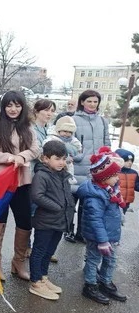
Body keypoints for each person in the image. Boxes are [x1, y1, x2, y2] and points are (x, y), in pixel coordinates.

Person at [0, 90, 40, 282]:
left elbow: (36, 149)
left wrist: (22, 157)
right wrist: (8, 158)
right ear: (3, 107)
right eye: (9, 105)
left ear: (23, 107)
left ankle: (18, 262)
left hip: (22, 181)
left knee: (24, 222)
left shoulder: (27, 126)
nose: (13, 109)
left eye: (17, 105)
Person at [76, 152, 127, 304]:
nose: (118, 178)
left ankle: (105, 281)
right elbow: (95, 220)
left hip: (109, 234)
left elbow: (115, 209)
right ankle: (90, 286)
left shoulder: (110, 189)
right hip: (98, 237)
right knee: (93, 260)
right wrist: (102, 241)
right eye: (115, 175)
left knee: (111, 260)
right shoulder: (95, 196)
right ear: (104, 178)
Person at [29, 141, 75, 300]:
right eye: (57, 158)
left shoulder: (62, 174)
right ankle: (35, 282)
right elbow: (37, 196)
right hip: (46, 221)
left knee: (49, 252)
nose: (61, 162)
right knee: (39, 251)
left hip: (59, 221)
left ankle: (43, 277)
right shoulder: (42, 174)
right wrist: (56, 207)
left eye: (64, 158)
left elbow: (67, 194)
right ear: (45, 158)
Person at [68, 90, 110, 243]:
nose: (92, 104)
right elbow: (68, 142)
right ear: (82, 102)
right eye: (89, 101)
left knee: (89, 205)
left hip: (94, 170)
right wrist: (77, 156)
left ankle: (81, 232)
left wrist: (105, 161)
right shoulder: (73, 120)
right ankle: (68, 230)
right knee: (70, 203)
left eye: (95, 101)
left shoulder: (102, 121)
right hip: (77, 167)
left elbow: (107, 144)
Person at [43, 116, 83, 185]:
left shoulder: (72, 139)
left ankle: (69, 179)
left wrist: (76, 150)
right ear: (58, 130)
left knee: (69, 169)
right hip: (55, 164)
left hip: (68, 162)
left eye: (70, 132)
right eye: (64, 131)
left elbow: (78, 147)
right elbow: (46, 145)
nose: (67, 134)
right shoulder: (53, 137)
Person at [114, 148, 139, 214]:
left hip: (127, 201)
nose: (130, 163)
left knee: (122, 214)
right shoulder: (115, 172)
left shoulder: (134, 173)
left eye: (131, 161)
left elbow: (136, 185)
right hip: (116, 200)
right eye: (127, 161)